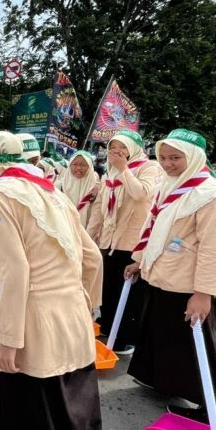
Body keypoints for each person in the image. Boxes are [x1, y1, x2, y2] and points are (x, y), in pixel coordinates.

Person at [0, 131, 102, 430]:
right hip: (72, 321)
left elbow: (14, 271)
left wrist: (9, 340)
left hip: (32, 328)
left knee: (29, 412)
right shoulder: (53, 193)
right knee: (70, 411)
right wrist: (87, 307)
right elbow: (92, 258)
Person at [124, 129, 216, 430]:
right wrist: (138, 261)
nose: (167, 163)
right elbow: (153, 228)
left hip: (189, 285)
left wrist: (203, 294)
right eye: (162, 157)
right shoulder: (170, 185)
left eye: (175, 158)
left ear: (194, 158)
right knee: (162, 334)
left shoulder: (215, 196)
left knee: (200, 345)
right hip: (161, 277)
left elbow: (215, 251)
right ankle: (162, 381)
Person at [88, 129, 162, 355]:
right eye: (112, 149)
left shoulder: (149, 167)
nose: (116, 153)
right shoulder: (109, 172)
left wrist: (124, 169)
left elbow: (142, 194)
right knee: (108, 286)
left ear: (132, 149)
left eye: (122, 149)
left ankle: (127, 338)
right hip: (109, 240)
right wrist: (90, 236)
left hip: (132, 240)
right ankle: (109, 326)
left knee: (128, 291)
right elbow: (100, 208)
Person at [56, 151, 101, 230]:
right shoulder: (59, 186)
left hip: (86, 232)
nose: (78, 168)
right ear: (69, 165)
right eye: (75, 164)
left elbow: (96, 214)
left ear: (90, 167)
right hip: (63, 229)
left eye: (83, 165)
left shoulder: (95, 188)